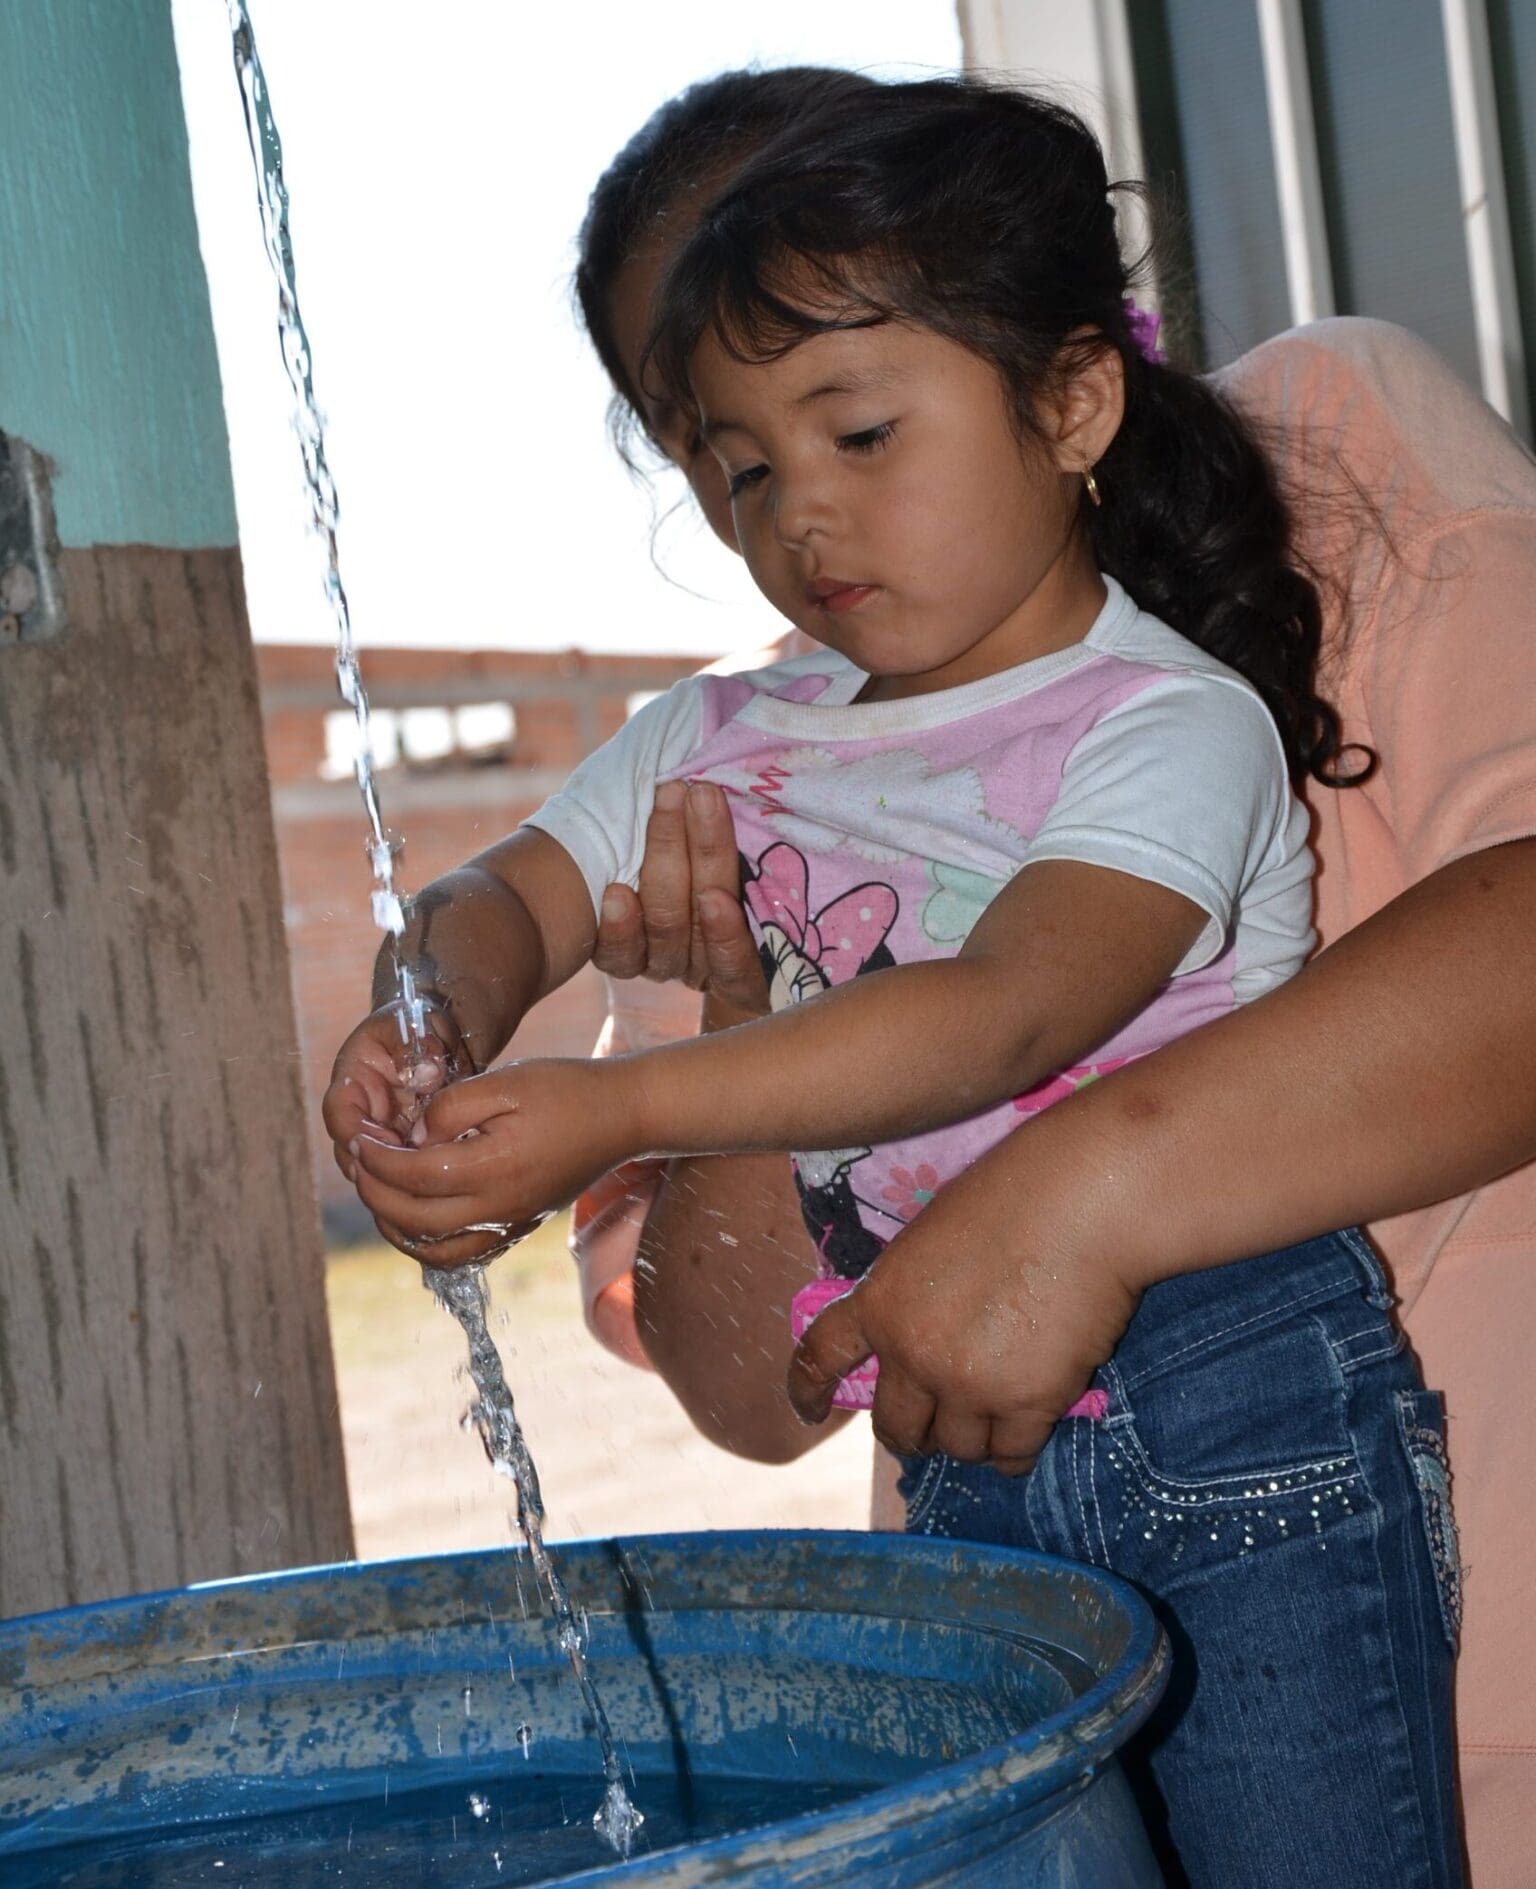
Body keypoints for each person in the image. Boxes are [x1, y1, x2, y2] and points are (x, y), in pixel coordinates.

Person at [325, 80, 1462, 1888]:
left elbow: (1008, 1009)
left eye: (861, 433)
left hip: (1236, 1397)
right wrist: (433, 1014)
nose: (804, 517)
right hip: (947, 1439)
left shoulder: (1169, 724)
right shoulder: (721, 734)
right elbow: (502, 892)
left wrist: (621, 1104)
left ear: (1075, 400)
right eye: (745, 467)